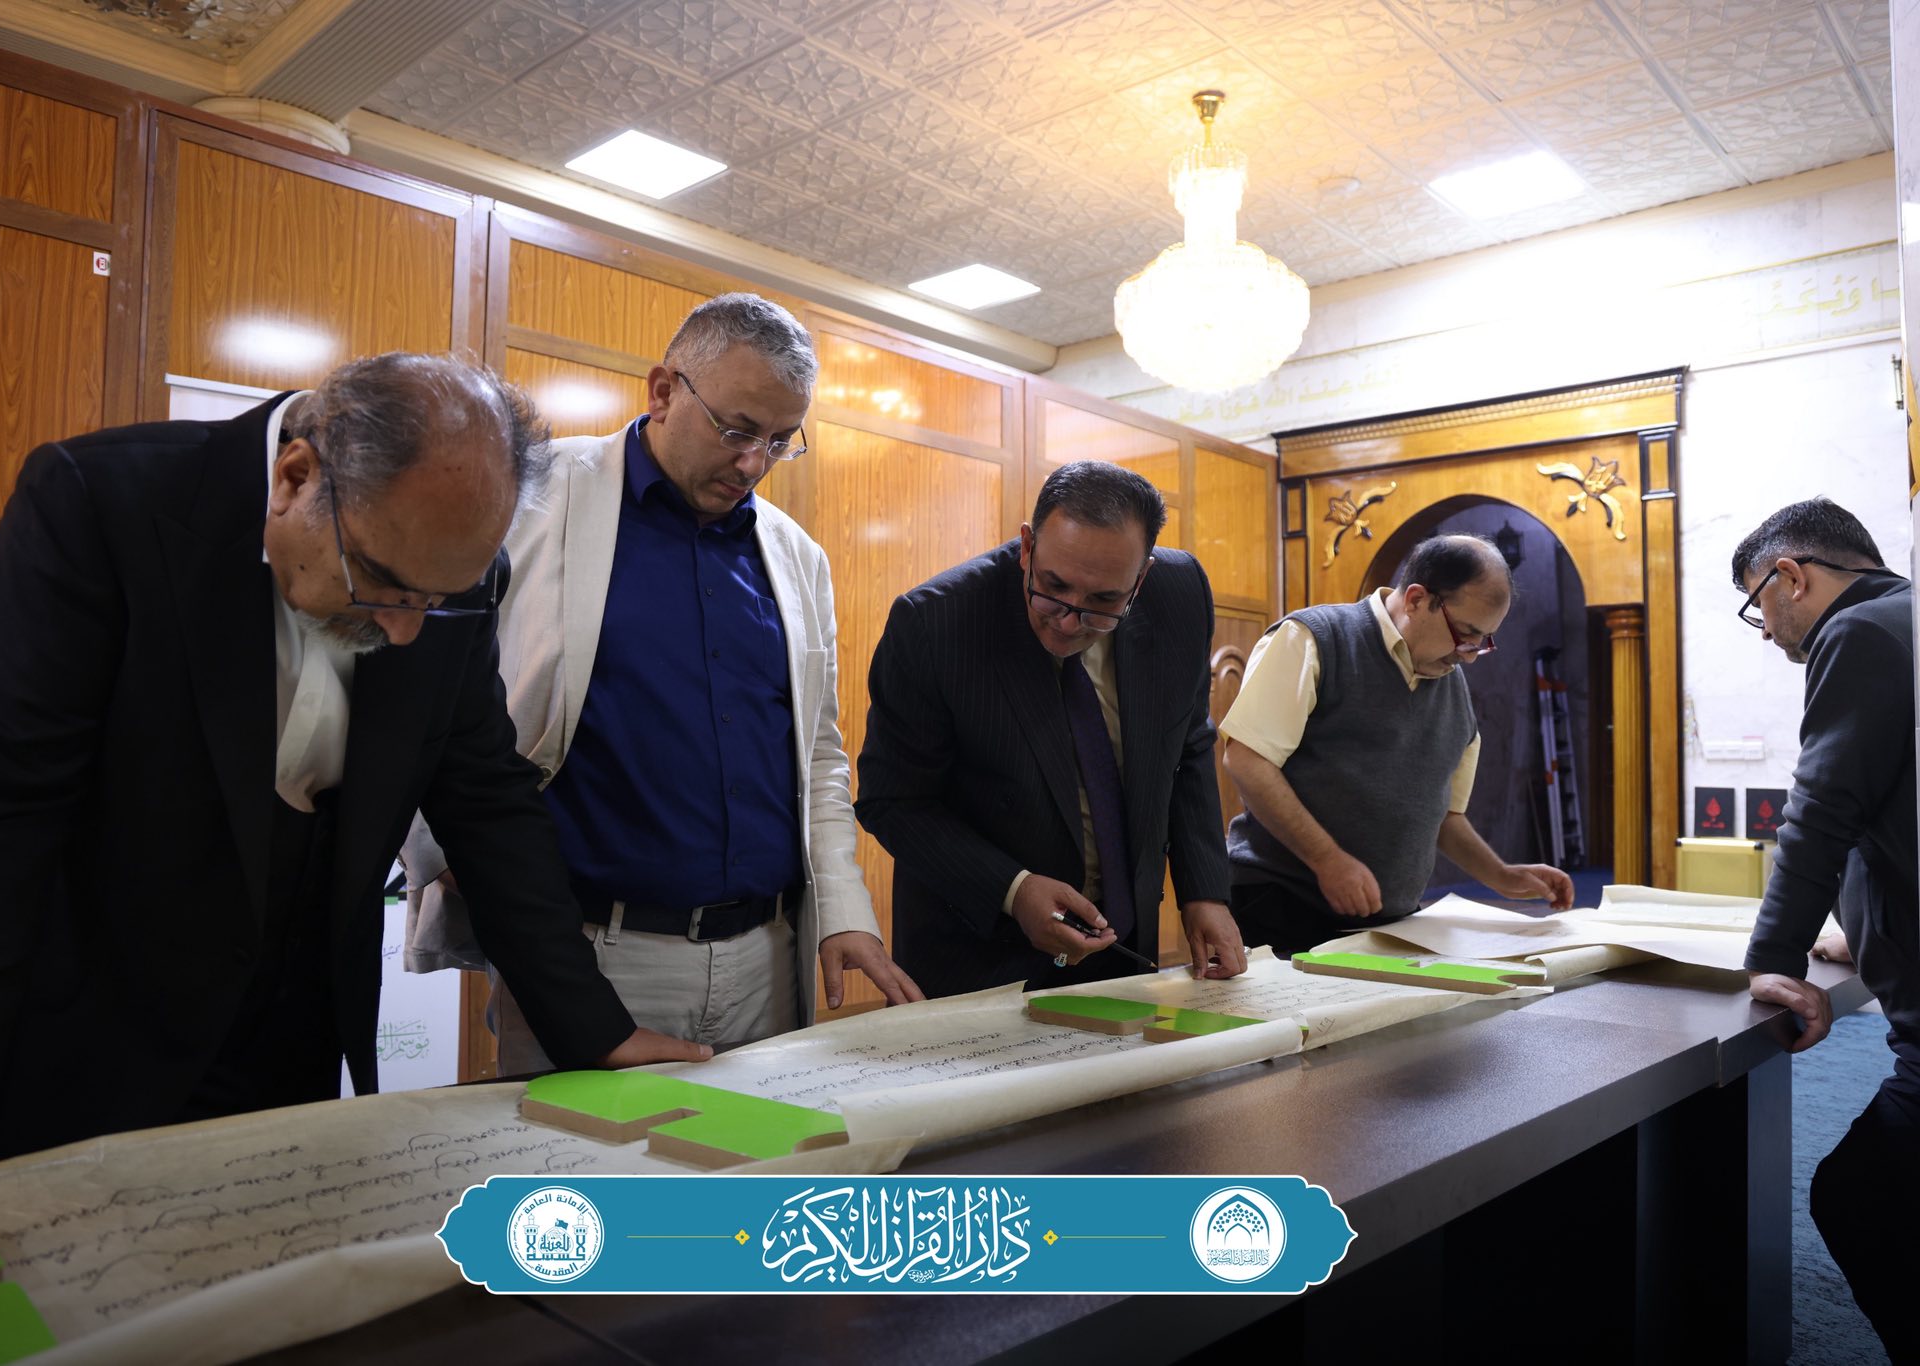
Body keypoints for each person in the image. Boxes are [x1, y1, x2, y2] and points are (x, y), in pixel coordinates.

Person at [0, 352, 702, 1191]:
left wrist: (594, 1031)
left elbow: (487, 801)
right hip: (89, 1027)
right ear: (295, 477)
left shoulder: (447, 570)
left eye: (437, 601)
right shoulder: (101, 501)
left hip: (292, 1040)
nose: (407, 632)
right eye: (383, 585)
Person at [404, 295, 917, 1067]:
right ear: (664, 390)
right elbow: (430, 696)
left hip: (768, 956)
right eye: (738, 430)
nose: (754, 464)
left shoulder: (797, 557)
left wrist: (844, 910)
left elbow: (817, 752)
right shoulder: (531, 496)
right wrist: (445, 854)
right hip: (591, 954)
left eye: (781, 442)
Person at [854, 460, 1245, 998]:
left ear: (1142, 577)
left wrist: (1205, 891)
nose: (1068, 621)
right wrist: (1013, 890)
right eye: (1053, 587)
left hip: (1124, 948)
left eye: (1103, 602)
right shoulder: (936, 622)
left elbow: (1188, 745)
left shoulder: (1181, 594)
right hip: (980, 960)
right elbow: (893, 801)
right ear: (1027, 546)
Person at [1731, 498, 1916, 1360]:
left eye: (1756, 606)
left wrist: (1771, 958)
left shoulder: (1859, 631)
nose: (1766, 631)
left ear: (1790, 576)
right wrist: (1862, 931)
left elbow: (1824, 809)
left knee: (1861, 1198)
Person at [1221, 534, 1574, 955]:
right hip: (1280, 907)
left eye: (1485, 640)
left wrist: (1500, 874)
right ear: (1416, 599)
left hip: (1390, 923)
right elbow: (1247, 759)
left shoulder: (1453, 686)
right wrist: (1326, 858)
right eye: (1466, 633)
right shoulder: (1314, 639)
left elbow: (1444, 816)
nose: (1470, 655)